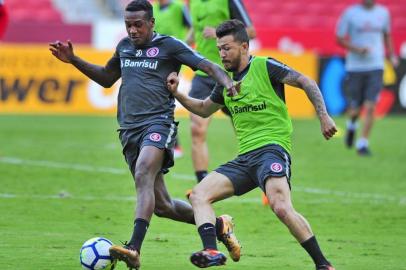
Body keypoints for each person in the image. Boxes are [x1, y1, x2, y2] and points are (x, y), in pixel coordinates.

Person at [49, 1, 240, 269]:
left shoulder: (170, 46)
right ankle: (220, 225)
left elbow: (207, 65)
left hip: (158, 124)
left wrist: (228, 82)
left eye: (138, 24)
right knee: (162, 206)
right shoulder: (124, 47)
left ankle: (134, 248)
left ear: (151, 23)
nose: (133, 30)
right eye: (128, 25)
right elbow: (106, 77)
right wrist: (74, 60)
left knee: (143, 172)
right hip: (128, 130)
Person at [166, 19, 337, 269]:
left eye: (227, 48)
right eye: (219, 48)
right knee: (199, 195)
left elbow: (306, 82)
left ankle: (323, 264)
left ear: (244, 46)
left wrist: (323, 116)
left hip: (272, 150)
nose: (222, 54)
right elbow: (203, 109)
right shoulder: (224, 83)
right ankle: (211, 250)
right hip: (245, 159)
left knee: (280, 207)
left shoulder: (265, 66)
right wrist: (178, 93)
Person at [188, 0, 256, 183]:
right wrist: (184, 44)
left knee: (245, 130)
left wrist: (219, 33)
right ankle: (201, 184)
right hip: (203, 73)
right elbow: (197, 29)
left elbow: (251, 32)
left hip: (230, 74)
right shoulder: (192, 3)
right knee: (197, 129)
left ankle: (262, 176)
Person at [336, 0, 398, 156]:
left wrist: (391, 55)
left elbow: (387, 35)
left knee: (371, 105)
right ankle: (351, 125)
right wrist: (357, 49)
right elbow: (339, 38)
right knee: (355, 108)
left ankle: (362, 143)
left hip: (376, 65)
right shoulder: (350, 13)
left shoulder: (383, 13)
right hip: (355, 67)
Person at [152, 0, 194, 158]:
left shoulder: (179, 7)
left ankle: (173, 144)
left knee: (164, 99)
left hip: (172, 61)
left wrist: (183, 47)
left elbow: (192, 26)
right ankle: (169, 143)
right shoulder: (153, 8)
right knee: (159, 100)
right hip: (154, 59)